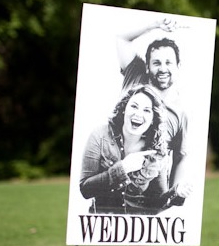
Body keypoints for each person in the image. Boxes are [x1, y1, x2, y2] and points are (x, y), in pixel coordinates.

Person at [79, 85, 186, 215]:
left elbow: (156, 204)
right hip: (103, 226)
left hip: (136, 229)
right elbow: (85, 190)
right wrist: (123, 168)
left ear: (153, 119)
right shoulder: (100, 136)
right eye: (134, 106)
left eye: (147, 110)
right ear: (124, 109)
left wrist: (177, 193)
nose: (138, 114)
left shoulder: (156, 150)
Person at [115, 19, 192, 198]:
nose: (163, 68)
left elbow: (181, 156)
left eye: (168, 63)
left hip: (147, 200)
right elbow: (122, 39)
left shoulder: (179, 113)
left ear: (178, 67)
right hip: (111, 182)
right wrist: (154, 25)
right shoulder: (135, 76)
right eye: (156, 63)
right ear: (148, 67)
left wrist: (173, 196)